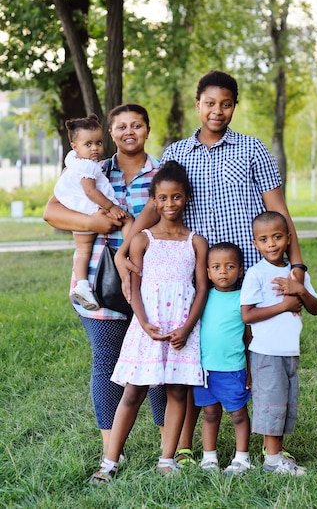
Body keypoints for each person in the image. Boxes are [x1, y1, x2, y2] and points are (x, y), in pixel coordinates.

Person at [114, 70, 306, 465]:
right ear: (197, 103)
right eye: (210, 103)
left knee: (253, 355)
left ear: (235, 105)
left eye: (226, 103)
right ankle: (188, 446)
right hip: (198, 272)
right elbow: (154, 206)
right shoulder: (177, 153)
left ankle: (264, 444)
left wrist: (297, 265)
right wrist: (125, 248)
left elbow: (279, 212)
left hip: (249, 271)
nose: (217, 111)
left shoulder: (252, 149)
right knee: (198, 356)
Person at [43, 104, 167, 459]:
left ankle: (167, 445)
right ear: (111, 133)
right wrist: (93, 224)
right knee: (106, 362)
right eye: (122, 126)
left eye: (137, 125)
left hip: (151, 283)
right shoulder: (91, 169)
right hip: (98, 283)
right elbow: (51, 211)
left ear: (147, 129)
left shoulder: (161, 174)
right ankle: (111, 449)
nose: (130, 132)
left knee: (156, 361)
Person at [90, 161, 209, 481]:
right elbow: (134, 289)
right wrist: (142, 322)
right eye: (163, 198)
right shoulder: (143, 239)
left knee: (177, 393)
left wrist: (186, 328)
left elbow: (201, 289)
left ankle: (167, 458)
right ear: (154, 200)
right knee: (133, 392)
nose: (170, 204)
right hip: (149, 327)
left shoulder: (195, 242)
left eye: (177, 197)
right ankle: (110, 462)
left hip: (181, 329)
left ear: (187, 198)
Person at [240, 211, 317, 476]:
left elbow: (315, 307)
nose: (271, 244)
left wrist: (300, 291)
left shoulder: (296, 275)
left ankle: (277, 454)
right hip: (266, 352)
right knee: (271, 404)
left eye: (276, 237)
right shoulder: (256, 274)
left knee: (285, 403)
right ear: (255, 243)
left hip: (289, 352)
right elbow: (247, 315)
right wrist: (284, 305)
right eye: (264, 239)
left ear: (288, 239)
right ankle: (272, 460)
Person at [53, 114, 133, 310]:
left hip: (79, 211)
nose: (95, 148)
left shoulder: (72, 160)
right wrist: (111, 207)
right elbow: (91, 191)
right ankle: (129, 254)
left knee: (82, 252)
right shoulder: (88, 165)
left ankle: (81, 285)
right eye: (88, 144)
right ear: (75, 146)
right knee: (127, 220)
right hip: (92, 210)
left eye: (98, 142)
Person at [193, 242, 252, 476]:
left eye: (229, 266)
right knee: (210, 413)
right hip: (205, 369)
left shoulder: (244, 299)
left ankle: (242, 458)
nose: (223, 272)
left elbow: (249, 338)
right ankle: (209, 457)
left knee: (238, 413)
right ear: (208, 272)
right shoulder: (203, 297)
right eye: (216, 267)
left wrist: (250, 368)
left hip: (232, 368)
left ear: (240, 270)